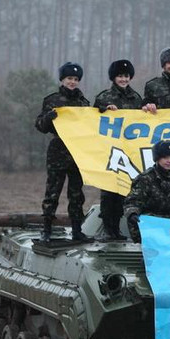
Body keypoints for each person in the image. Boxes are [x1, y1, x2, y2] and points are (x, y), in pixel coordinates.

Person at [35, 61, 93, 243]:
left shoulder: (84, 103)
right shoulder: (52, 100)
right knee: (52, 192)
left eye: (75, 79)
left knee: (76, 195)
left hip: (77, 152)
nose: (72, 82)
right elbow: (40, 126)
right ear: (62, 79)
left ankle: (77, 230)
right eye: (69, 78)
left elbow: (90, 127)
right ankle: (46, 230)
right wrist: (48, 118)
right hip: (58, 152)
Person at [94, 59, 143, 240]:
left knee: (125, 190)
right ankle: (109, 229)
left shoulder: (136, 98)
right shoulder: (104, 97)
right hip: (109, 151)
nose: (123, 79)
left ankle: (118, 229)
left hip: (129, 152)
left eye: (126, 76)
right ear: (113, 78)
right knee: (108, 191)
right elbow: (92, 117)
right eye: (120, 76)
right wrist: (104, 109)